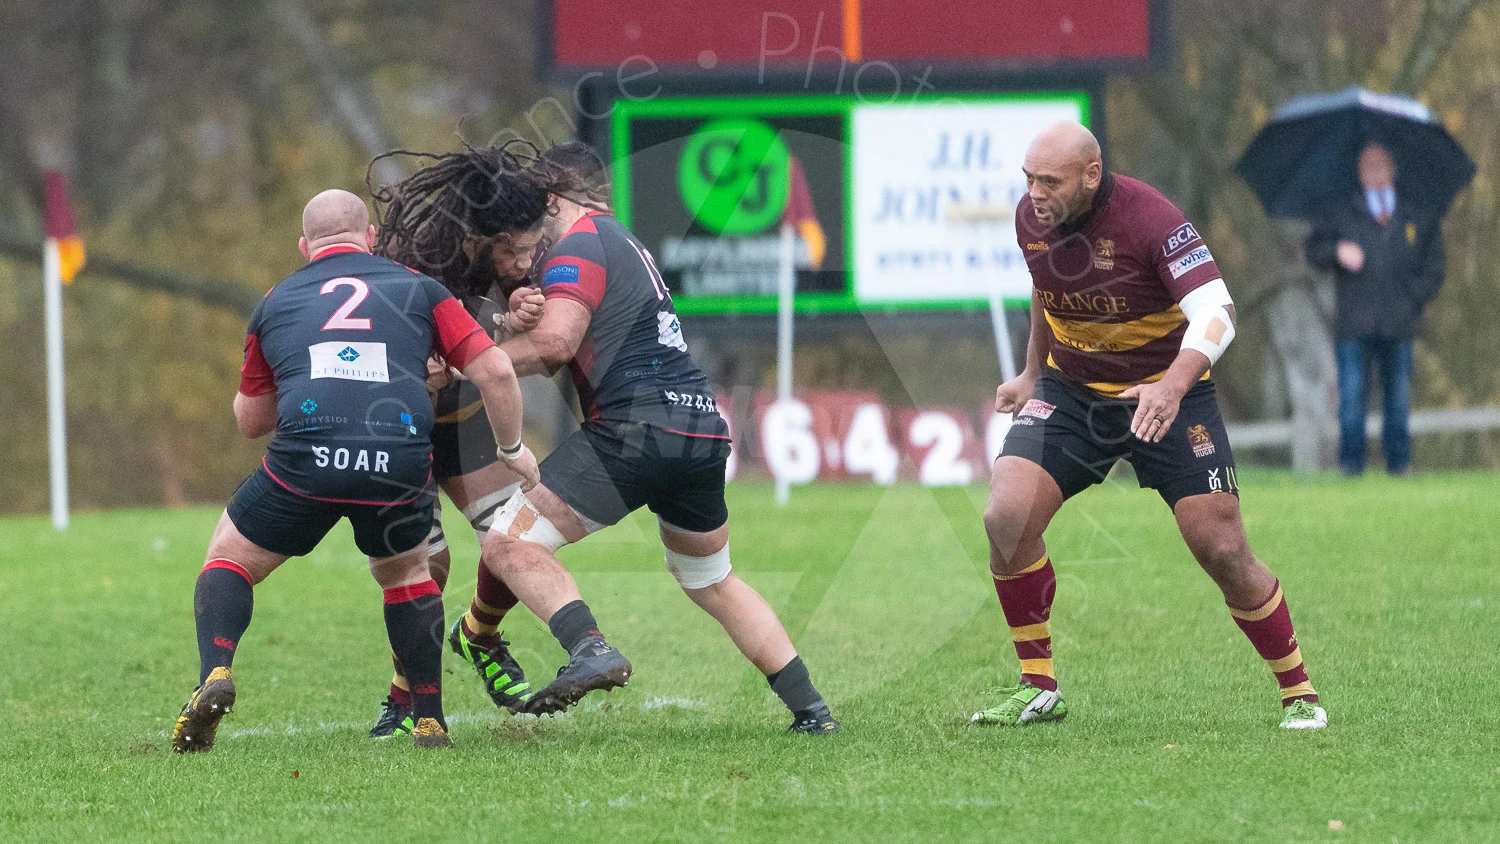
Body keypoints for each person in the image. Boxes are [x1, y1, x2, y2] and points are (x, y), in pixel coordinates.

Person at [374, 141, 840, 734]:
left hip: (634, 429)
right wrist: (512, 316)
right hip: (700, 429)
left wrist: (471, 363)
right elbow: (549, 338)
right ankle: (812, 711)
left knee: (508, 544)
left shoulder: (579, 243)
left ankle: (588, 646)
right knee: (712, 579)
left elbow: (554, 347)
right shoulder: (626, 243)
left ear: (553, 201)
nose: (530, 251)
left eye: (531, 234)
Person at [975, 121, 1326, 730]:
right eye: (1028, 178)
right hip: (1073, 393)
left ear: (1091, 175)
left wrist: (1171, 384)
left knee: (1221, 547)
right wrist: (1033, 372)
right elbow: (1045, 290)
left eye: (1049, 181)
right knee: (1005, 516)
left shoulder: (1152, 220)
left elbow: (1218, 312)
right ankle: (1038, 687)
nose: (1034, 192)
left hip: (1169, 396)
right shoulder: (1032, 218)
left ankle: (1299, 693)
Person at [169, 189, 539, 752]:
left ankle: (214, 674)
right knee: (408, 575)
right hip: (396, 458)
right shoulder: (419, 286)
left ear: (304, 245)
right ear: (369, 237)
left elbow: (250, 421)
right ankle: (430, 718)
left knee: (228, 559)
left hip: (306, 459)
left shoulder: (276, 299)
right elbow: (494, 370)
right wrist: (513, 448)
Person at [362, 143, 602, 738]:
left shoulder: (510, 261)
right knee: (428, 566)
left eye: (530, 247)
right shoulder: (408, 261)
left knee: (512, 539)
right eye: (513, 249)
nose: (525, 260)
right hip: (403, 426)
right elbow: (407, 342)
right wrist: (480, 328)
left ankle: (479, 637)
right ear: (478, 235)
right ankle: (402, 698)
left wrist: (516, 309)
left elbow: (514, 341)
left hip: (465, 423)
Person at [1306, 141, 1446, 475]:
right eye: (1368, 166)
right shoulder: (1341, 211)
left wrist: (1411, 299)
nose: (1375, 173)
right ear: (1359, 171)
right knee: (1352, 399)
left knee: (1397, 399)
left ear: (1393, 168)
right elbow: (1314, 250)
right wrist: (1337, 251)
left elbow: (1434, 268)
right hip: (1354, 323)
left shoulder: (1417, 213)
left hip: (1400, 324)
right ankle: (1351, 466)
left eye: (1381, 165)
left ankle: (1399, 464)